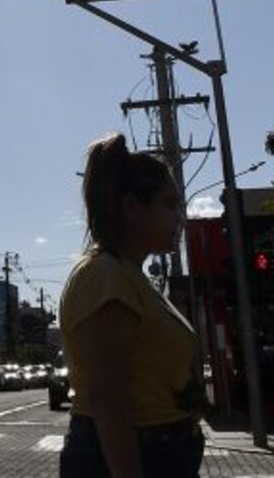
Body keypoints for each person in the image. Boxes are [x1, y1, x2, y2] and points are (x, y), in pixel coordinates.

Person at [58, 133, 205, 478]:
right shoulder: (105, 276)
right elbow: (109, 398)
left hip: (162, 451)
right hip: (135, 455)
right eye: (170, 204)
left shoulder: (130, 276)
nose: (180, 218)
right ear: (132, 208)